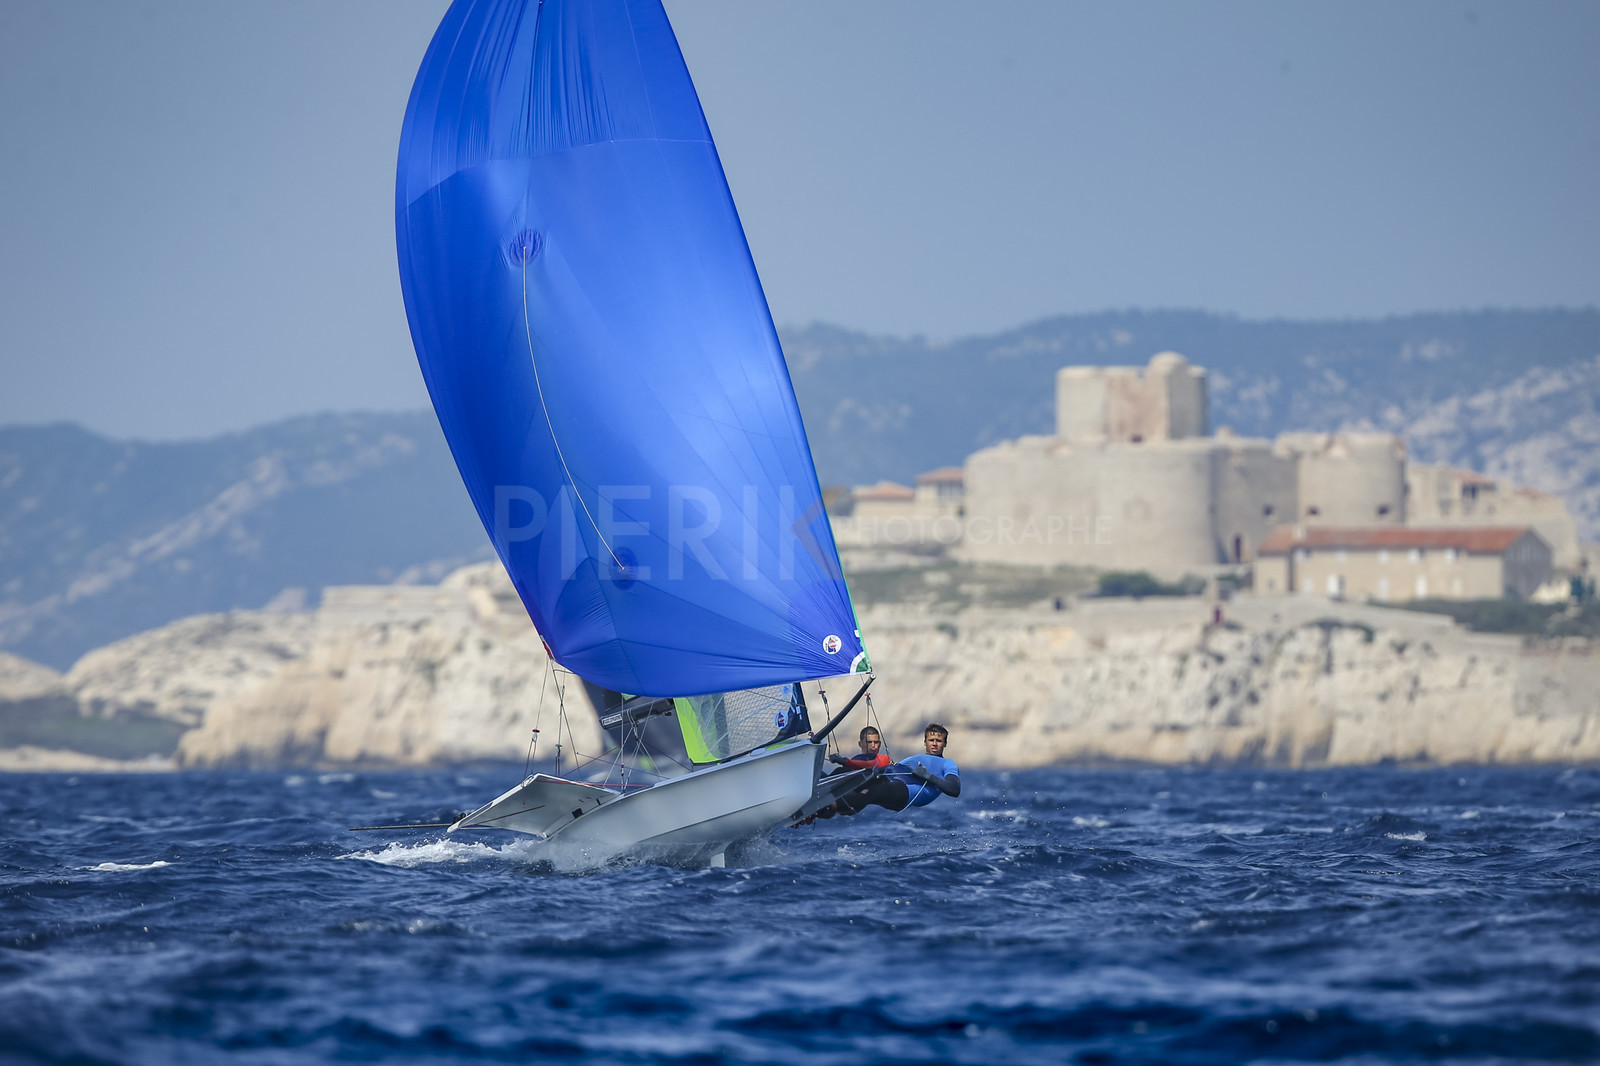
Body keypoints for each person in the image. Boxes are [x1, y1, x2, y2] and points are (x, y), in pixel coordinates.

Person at [833, 723, 960, 815]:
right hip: (888, 780)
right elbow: (889, 768)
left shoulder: (948, 764)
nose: (934, 743)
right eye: (931, 740)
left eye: (939, 741)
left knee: (869, 793)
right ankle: (821, 797)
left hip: (905, 791)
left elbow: (954, 789)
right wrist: (874, 772)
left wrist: (928, 776)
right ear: (925, 742)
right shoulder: (913, 758)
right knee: (847, 775)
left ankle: (831, 805)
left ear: (945, 744)